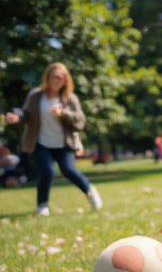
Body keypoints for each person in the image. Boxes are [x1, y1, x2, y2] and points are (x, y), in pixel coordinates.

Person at [4, 62, 102, 216]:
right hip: (41, 142)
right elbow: (26, 114)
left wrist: (63, 113)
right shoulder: (36, 96)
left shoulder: (70, 98)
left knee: (69, 170)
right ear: (47, 77)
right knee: (46, 172)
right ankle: (42, 206)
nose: (57, 80)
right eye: (54, 76)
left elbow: (80, 121)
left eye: (60, 78)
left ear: (65, 80)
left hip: (63, 143)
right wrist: (17, 118)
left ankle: (90, 192)